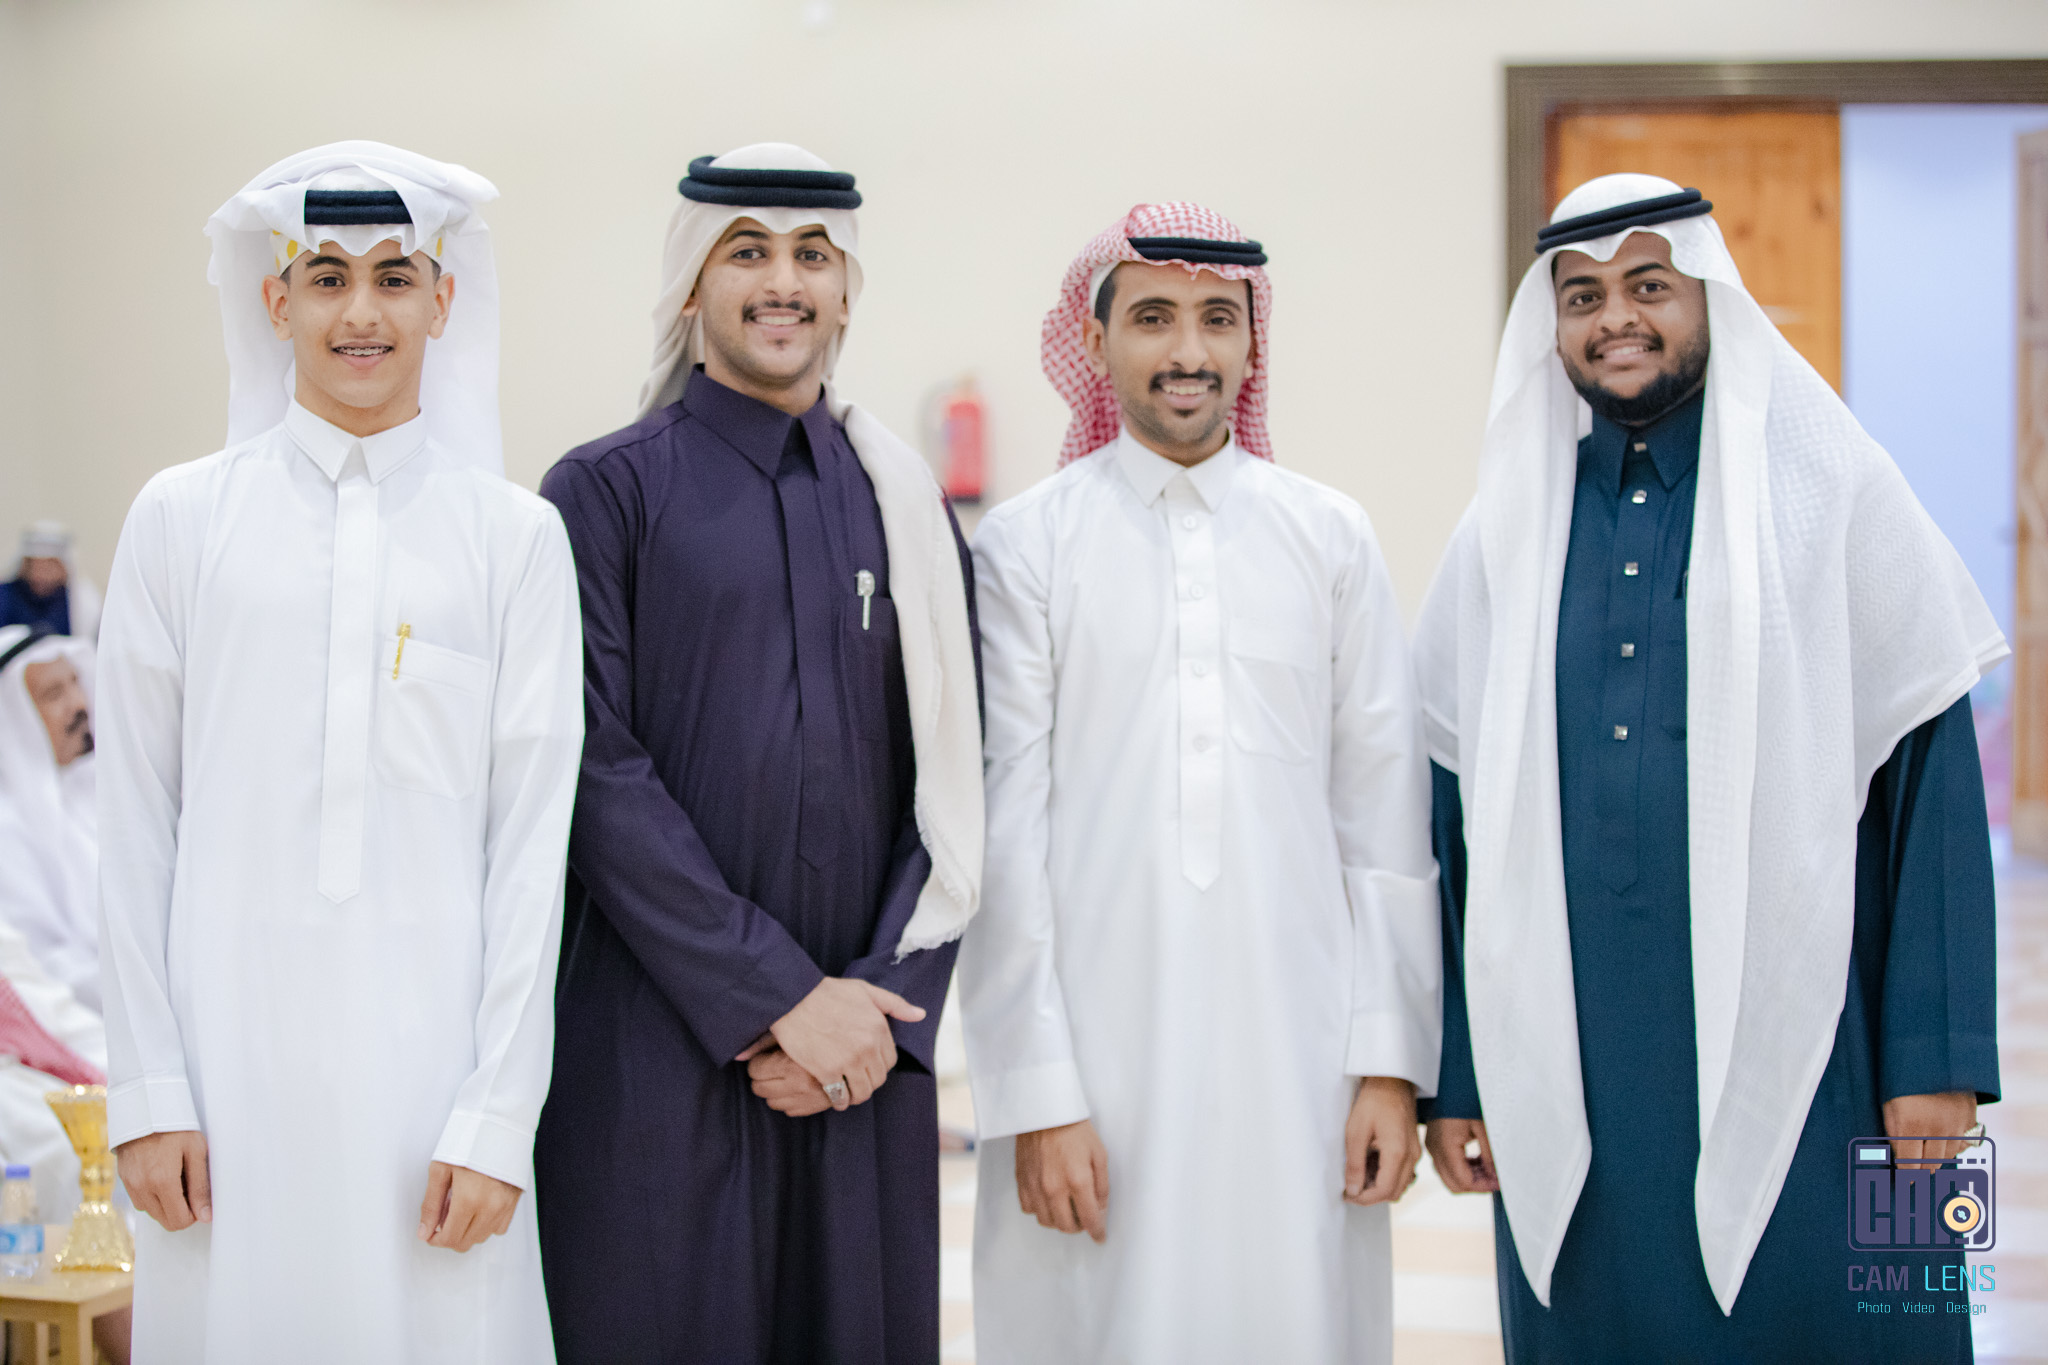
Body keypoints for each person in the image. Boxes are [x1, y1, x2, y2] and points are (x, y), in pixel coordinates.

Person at [1415, 174, 2002, 1362]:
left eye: (1647, 286)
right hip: (1574, 1054)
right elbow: (1455, 823)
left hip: (1833, 1044)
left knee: (1888, 1309)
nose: (1614, 318)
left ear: (1708, 299)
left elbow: (1930, 791)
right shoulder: (1501, 535)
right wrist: (1461, 1075)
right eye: (1581, 296)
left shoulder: (1830, 493)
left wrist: (1939, 1063)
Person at [96, 142, 582, 1363]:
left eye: (393, 277)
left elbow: (531, 852)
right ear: (276, 303)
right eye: (326, 277)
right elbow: (134, 827)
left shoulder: (515, 539)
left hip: (434, 1096)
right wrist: (146, 1094)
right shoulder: (179, 520)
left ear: (442, 301)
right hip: (222, 1086)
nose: (360, 312)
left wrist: (497, 1113)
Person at [960, 203, 1441, 1364]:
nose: (1188, 350)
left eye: (1217, 319)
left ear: (1250, 341)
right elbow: (1003, 840)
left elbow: (1384, 821)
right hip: (1095, 1066)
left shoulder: (1330, 537)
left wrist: (1387, 1068)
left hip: (1300, 1063)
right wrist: (1036, 1091)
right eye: (1153, 318)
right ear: (1094, 340)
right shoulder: (1024, 547)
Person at [534, 144, 983, 1365]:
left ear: (845, 292)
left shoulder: (903, 507)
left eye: (812, 256)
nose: (783, 282)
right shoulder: (600, 495)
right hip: (658, 1049)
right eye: (748, 251)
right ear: (691, 284)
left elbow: (955, 783)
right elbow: (592, 771)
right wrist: (774, 1001)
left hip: (859, 1062)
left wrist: (877, 1018)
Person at [0, 624, 100, 1010]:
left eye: (76, 683)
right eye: (54, 694)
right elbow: (42, 965)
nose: (79, 704)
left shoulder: (97, 790)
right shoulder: (9, 831)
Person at [0, 523, 101, 641]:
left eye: (49, 566)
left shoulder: (83, 599)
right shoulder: (5, 595)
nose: (40, 573)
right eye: (35, 565)